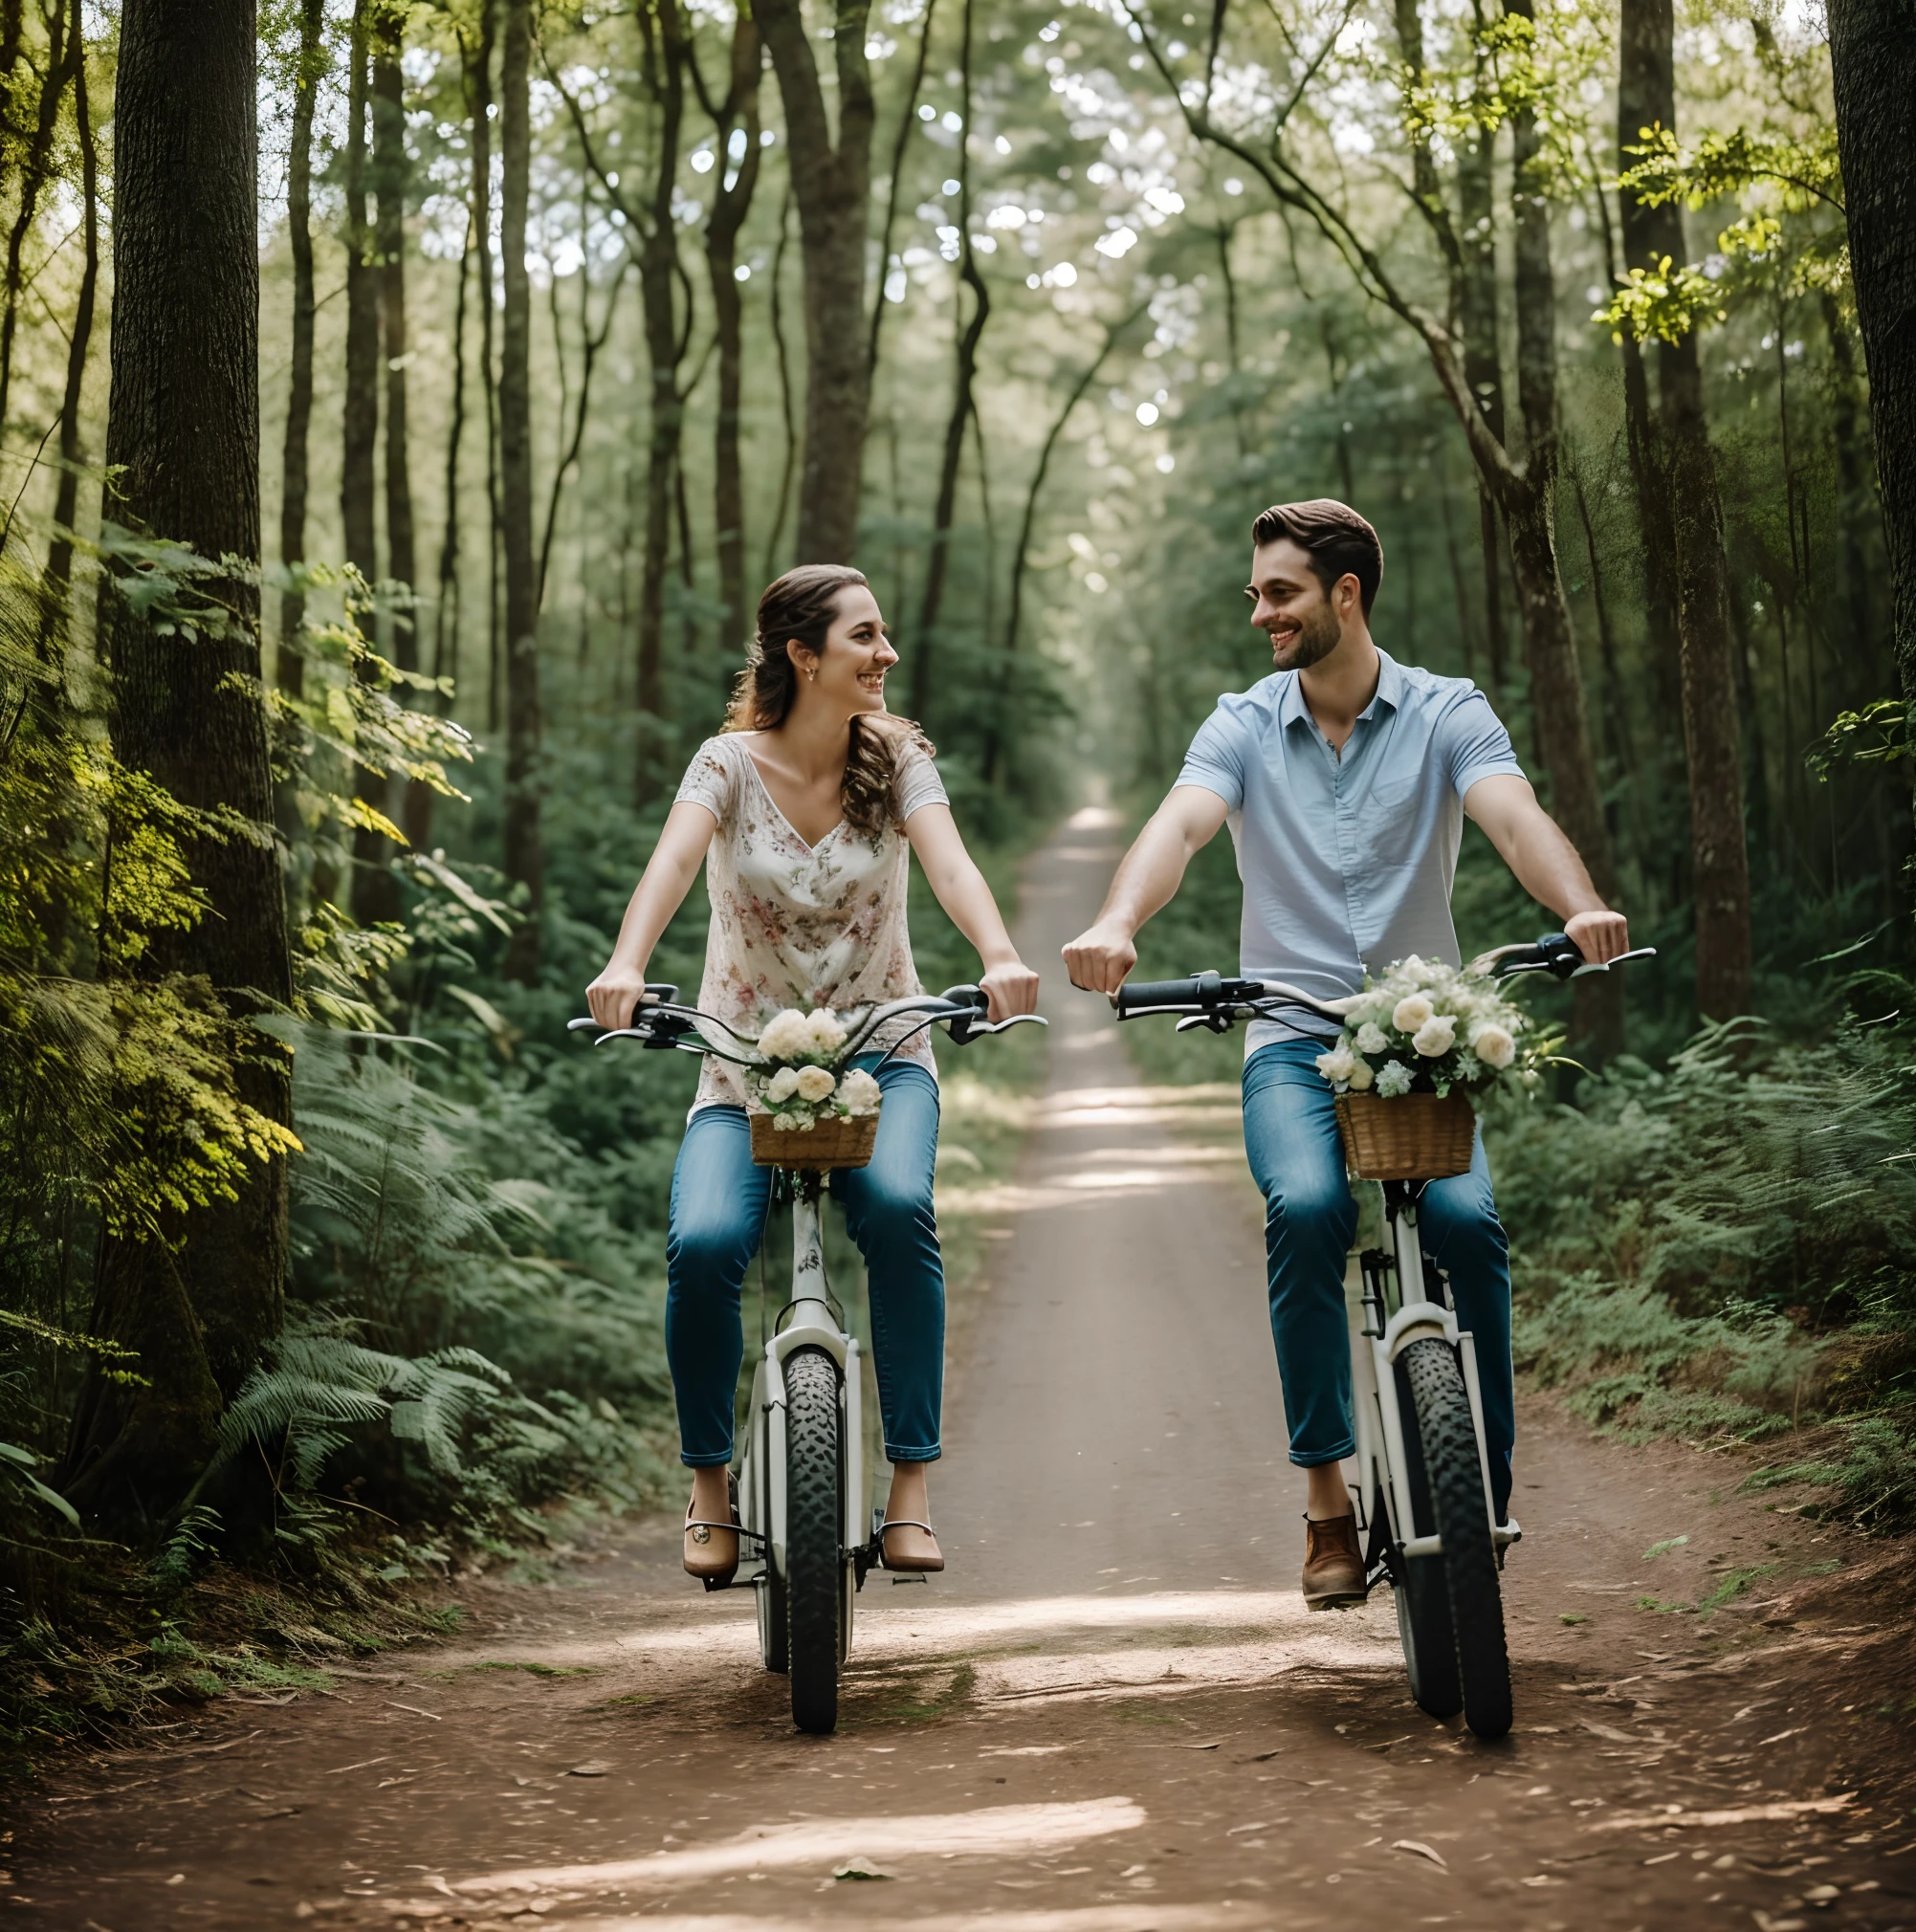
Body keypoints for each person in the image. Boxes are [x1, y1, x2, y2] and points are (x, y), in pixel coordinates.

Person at [1062, 500, 1628, 1608]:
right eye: (1256, 594)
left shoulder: (1445, 711)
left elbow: (1509, 815)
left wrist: (1578, 905)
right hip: (1291, 1037)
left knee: (1468, 1225)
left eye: (1278, 592)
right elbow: (1178, 826)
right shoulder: (1241, 723)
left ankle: (1481, 1486)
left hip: (1425, 1041)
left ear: (1345, 593)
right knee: (1308, 1207)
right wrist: (1117, 921)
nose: (1260, 612)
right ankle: (1325, 1500)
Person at [586, 564, 1039, 1581]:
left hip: (885, 1049)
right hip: (743, 1060)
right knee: (703, 1241)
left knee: (893, 1212)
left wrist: (999, 951)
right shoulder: (725, 766)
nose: (885, 654)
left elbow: (950, 860)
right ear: (804, 655)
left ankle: (909, 1488)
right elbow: (669, 862)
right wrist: (627, 963)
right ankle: (709, 1482)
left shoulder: (898, 754)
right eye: (864, 637)